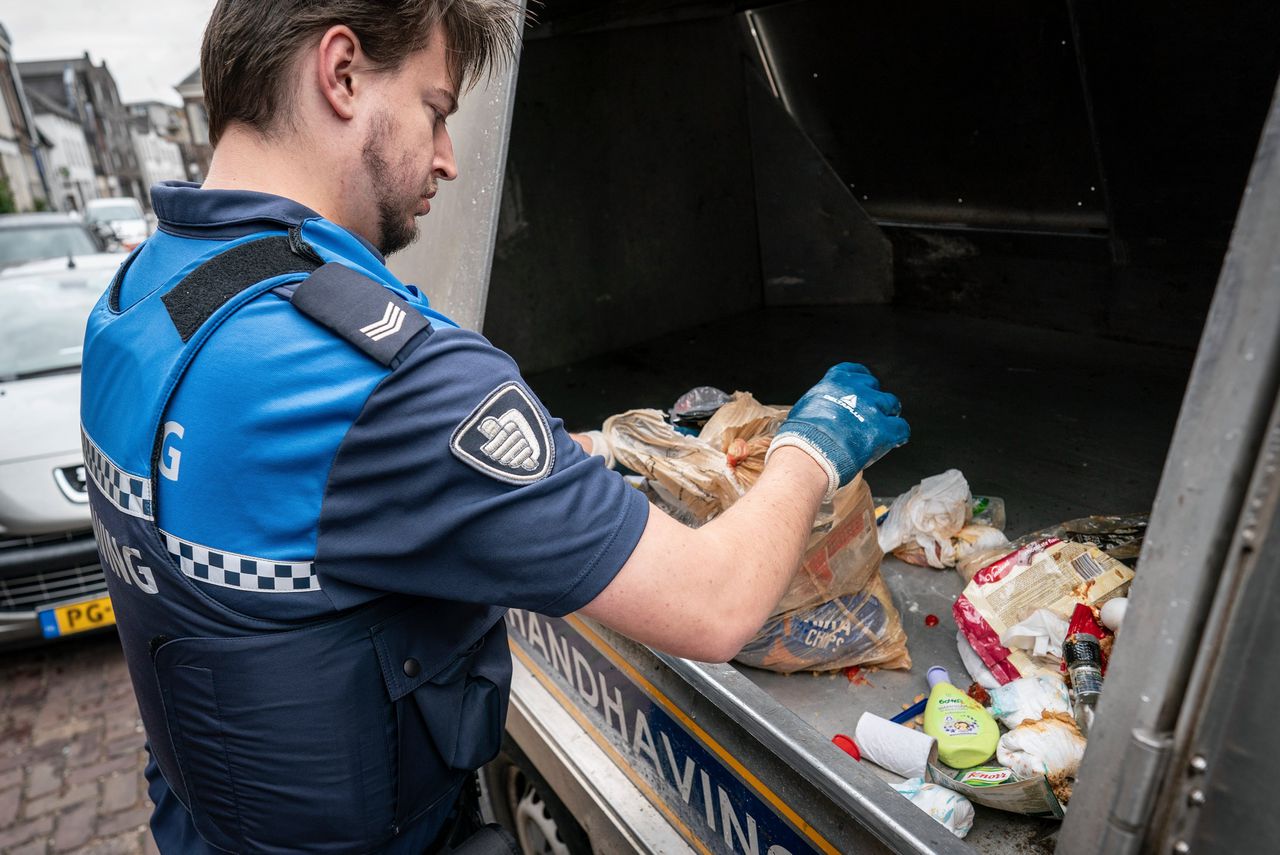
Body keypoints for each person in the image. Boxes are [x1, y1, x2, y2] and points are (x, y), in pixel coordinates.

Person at [78, 1, 910, 852]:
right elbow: (714, 603)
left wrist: (579, 451)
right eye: (436, 110)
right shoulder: (378, 375)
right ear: (342, 73)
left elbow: (285, 504)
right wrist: (813, 447)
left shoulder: (138, 298)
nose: (446, 157)